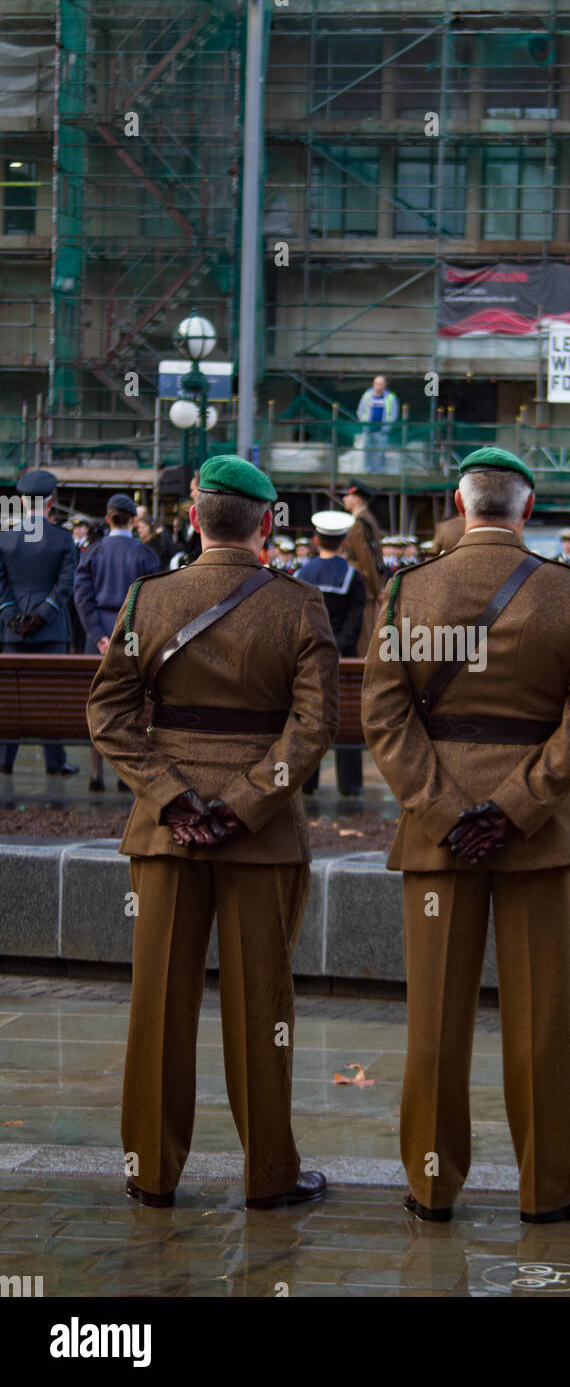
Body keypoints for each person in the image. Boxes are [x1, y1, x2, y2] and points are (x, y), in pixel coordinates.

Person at [361, 445, 570, 1225]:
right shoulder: (569, 591)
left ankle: (431, 1186)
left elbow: (383, 714)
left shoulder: (409, 589)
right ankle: (548, 1190)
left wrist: (442, 809)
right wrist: (517, 804)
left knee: (435, 1018)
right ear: (527, 510)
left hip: (438, 839)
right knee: (542, 1022)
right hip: (537, 838)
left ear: (460, 503)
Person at [86, 455, 339, 1210]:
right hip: (259, 839)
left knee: (157, 1006)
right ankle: (270, 1174)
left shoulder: (148, 597)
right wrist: (246, 803)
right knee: (263, 1006)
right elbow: (316, 724)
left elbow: (110, 715)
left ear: (194, 516)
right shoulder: (299, 605)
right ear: (267, 523)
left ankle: (151, 1173)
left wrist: (173, 799)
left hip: (167, 834)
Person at [74, 493, 161, 792]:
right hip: (132, 638)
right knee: (130, 706)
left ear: (108, 518)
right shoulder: (145, 554)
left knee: (97, 706)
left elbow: (82, 598)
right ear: (133, 521)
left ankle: (96, 774)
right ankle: (127, 775)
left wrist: (98, 635)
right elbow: (152, 602)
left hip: (95, 637)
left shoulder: (92, 552)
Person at [0, 468, 79, 778]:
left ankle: (5, 759)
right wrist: (41, 616)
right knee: (52, 697)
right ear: (51, 501)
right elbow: (65, 586)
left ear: (21, 501)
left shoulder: (5, 537)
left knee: (11, 696)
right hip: (51, 629)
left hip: (11, 631)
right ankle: (55, 761)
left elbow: (1, 584)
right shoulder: (63, 539)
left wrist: (11, 616)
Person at [296, 510, 366, 797]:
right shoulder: (353, 577)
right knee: (345, 713)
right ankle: (350, 784)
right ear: (345, 543)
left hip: (309, 659)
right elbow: (355, 622)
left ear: (315, 540)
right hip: (344, 658)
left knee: (310, 717)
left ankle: (308, 782)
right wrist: (337, 647)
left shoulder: (301, 574)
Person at [343, 480, 385, 655]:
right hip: (365, 584)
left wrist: (376, 590)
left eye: (348, 495)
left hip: (363, 584)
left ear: (357, 498)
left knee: (363, 640)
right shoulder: (365, 519)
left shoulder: (360, 522)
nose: (344, 499)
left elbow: (366, 558)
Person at [356, 374, 399, 473]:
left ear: (385, 385)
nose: (378, 386)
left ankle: (379, 474)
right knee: (367, 453)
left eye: (381, 384)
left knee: (380, 454)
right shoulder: (367, 395)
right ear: (373, 384)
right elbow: (360, 411)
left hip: (382, 431)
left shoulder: (390, 397)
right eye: (377, 384)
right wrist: (364, 423)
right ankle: (367, 472)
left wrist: (387, 427)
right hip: (368, 430)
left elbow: (394, 413)